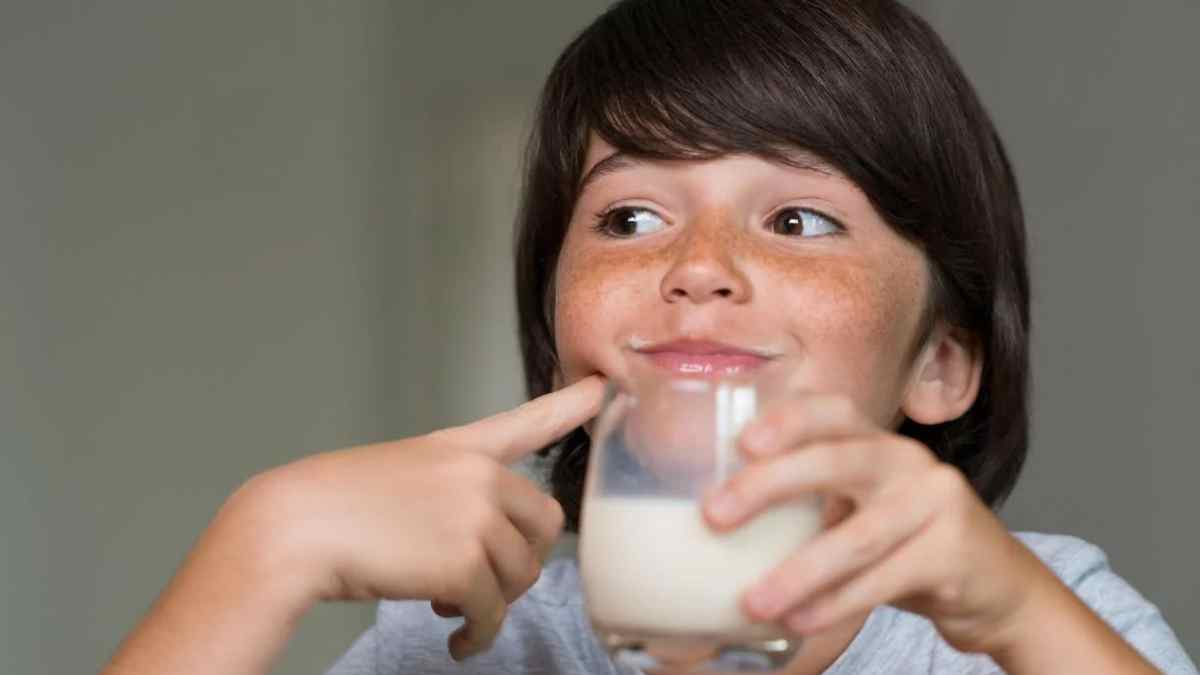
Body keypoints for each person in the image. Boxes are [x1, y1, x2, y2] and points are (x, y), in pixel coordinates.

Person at [101, 1, 1197, 673]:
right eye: (630, 218)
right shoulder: (475, 644)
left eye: (798, 220)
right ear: (556, 323)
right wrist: (264, 547)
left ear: (941, 363)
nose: (699, 268)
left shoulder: (1038, 619)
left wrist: (1015, 614)